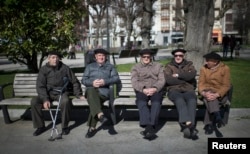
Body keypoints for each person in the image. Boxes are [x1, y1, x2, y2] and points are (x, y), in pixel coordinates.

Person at [31, 51, 85, 136]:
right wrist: (45, 99)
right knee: (34, 101)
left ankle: (65, 126)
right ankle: (40, 126)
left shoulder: (65, 68)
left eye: (57, 58)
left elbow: (75, 82)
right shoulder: (44, 69)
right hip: (48, 93)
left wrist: (78, 94)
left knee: (65, 101)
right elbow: (40, 86)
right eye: (53, 57)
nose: (55, 60)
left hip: (61, 92)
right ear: (49, 59)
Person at [82, 48, 121, 138]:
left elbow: (116, 78)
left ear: (106, 57)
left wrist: (105, 81)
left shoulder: (110, 67)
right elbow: (83, 80)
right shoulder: (90, 66)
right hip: (91, 90)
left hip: (103, 92)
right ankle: (99, 116)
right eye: (99, 55)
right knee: (91, 91)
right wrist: (92, 83)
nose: (101, 57)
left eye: (103, 56)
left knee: (94, 101)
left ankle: (93, 126)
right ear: (95, 56)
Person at [131, 49, 165, 140]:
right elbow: (134, 81)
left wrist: (155, 88)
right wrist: (143, 89)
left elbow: (162, 80)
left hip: (155, 89)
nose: (146, 58)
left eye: (148, 57)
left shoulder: (158, 66)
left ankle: (148, 127)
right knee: (141, 103)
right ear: (141, 57)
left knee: (156, 103)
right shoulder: (136, 67)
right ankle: (150, 127)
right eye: (144, 57)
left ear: (151, 57)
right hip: (142, 90)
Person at [164, 49, 198, 140]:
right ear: (174, 56)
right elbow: (169, 80)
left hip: (188, 89)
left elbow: (192, 75)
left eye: (180, 55)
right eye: (176, 55)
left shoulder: (189, 64)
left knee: (192, 100)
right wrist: (186, 77)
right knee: (179, 100)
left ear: (184, 56)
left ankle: (188, 126)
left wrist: (178, 75)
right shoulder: (169, 66)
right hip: (174, 90)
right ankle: (189, 126)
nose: (178, 57)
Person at [198, 52, 231, 138]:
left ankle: (209, 124)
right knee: (210, 99)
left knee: (211, 100)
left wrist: (217, 94)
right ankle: (217, 115)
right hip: (207, 92)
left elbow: (226, 85)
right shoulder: (203, 69)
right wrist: (204, 93)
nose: (206, 62)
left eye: (208, 60)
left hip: (220, 94)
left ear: (215, 62)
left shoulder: (225, 69)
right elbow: (201, 84)